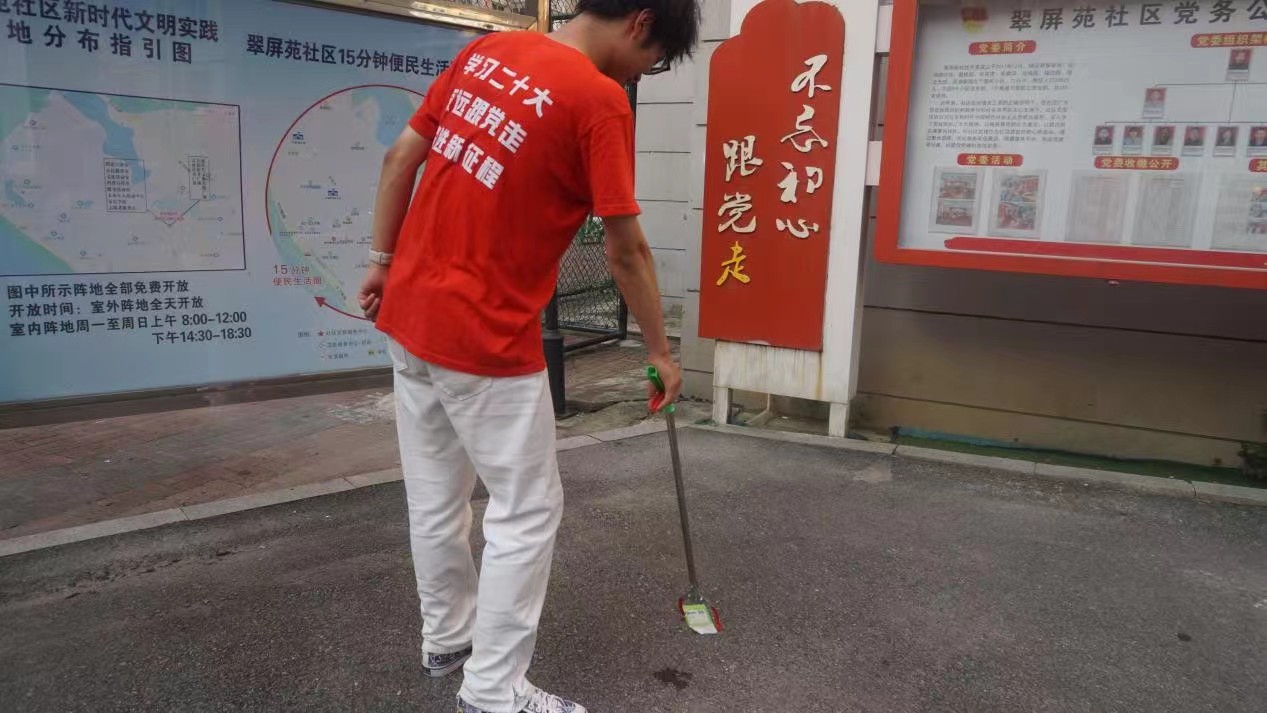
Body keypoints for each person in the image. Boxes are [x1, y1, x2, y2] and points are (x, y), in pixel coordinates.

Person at [356, 1, 698, 712]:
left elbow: (399, 158)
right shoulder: (597, 99)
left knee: (435, 497)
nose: (645, 74)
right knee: (526, 511)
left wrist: (381, 261)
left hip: (410, 318)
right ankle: (493, 691)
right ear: (640, 23)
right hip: (486, 338)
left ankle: (446, 639)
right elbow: (625, 249)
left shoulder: (487, 53)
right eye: (656, 60)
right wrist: (661, 353)